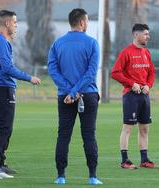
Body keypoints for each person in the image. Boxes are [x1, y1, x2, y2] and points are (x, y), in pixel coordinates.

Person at [0, 10, 41, 179]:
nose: (16, 25)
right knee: (3, 128)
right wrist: (29, 78)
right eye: (14, 22)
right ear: (7, 23)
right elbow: (7, 68)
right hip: (3, 88)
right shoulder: (1, 42)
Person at [48, 8, 102, 185]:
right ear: (82, 22)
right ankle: (93, 176)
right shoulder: (92, 43)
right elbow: (91, 72)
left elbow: (52, 70)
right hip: (87, 94)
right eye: (86, 21)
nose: (87, 24)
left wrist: (69, 91)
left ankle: (60, 176)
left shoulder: (57, 43)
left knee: (63, 135)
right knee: (89, 135)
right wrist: (76, 91)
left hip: (65, 97)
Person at [111, 24, 156, 169]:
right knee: (128, 128)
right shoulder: (126, 52)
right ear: (136, 35)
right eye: (145, 34)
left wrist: (148, 85)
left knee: (144, 129)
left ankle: (144, 160)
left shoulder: (146, 52)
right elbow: (115, 72)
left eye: (148, 34)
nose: (148, 36)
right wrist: (132, 84)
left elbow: (152, 73)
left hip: (144, 96)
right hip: (131, 96)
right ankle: (124, 160)